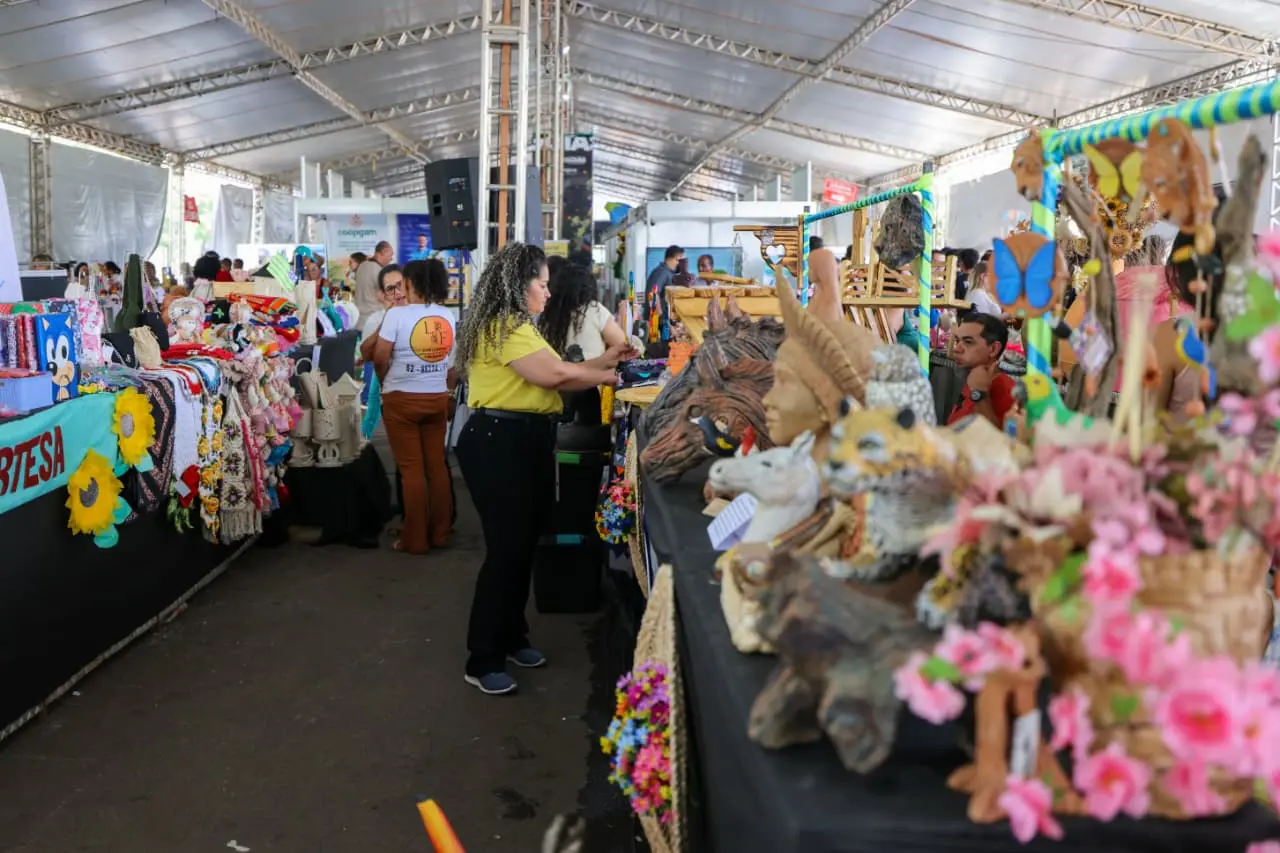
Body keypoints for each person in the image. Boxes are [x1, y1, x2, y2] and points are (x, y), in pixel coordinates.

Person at [454, 243, 633, 695]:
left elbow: (558, 368)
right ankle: (483, 656)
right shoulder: (505, 327)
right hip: (499, 443)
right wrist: (607, 377)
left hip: (525, 439)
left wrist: (607, 362)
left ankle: (513, 637)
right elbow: (553, 378)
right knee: (506, 551)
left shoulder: (521, 326)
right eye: (542, 284)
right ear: (520, 285)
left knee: (523, 544)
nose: (549, 294)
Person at [372, 259, 456, 555]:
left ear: (411, 283)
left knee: (411, 471)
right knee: (436, 467)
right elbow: (452, 369)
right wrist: (443, 390)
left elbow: (380, 357)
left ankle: (415, 539)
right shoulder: (447, 315)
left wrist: (385, 382)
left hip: (401, 400)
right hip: (436, 398)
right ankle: (441, 532)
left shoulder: (397, 315)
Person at [539, 264, 628, 360]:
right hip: (594, 372)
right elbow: (624, 347)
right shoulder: (594, 309)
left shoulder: (550, 315)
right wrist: (626, 318)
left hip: (558, 372)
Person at [947, 312, 1015, 429]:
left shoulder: (1008, 392)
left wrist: (979, 393)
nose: (957, 349)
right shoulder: (973, 379)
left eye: (968, 342)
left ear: (993, 349)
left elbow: (1002, 442)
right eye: (958, 341)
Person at [644, 244, 682, 332]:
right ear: (671, 258)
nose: (679, 264)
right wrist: (663, 320)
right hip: (657, 325)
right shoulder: (661, 272)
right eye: (678, 260)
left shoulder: (668, 273)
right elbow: (653, 294)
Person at [355, 241, 394, 320]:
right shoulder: (379, 271)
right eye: (391, 254)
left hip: (359, 318)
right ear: (383, 252)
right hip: (373, 319)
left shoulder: (362, 266)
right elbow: (386, 297)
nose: (391, 258)